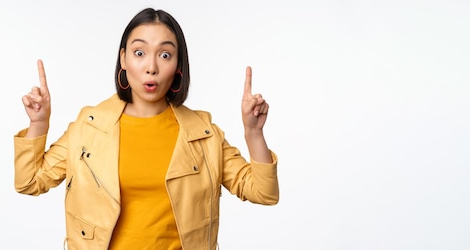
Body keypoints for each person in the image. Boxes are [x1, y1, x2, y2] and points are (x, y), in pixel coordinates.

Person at [14, 8, 279, 249]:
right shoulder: (89, 128)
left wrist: (253, 133)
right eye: (139, 53)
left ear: (178, 66)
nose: (151, 67)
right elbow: (29, 182)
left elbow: (263, 193)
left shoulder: (203, 133)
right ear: (124, 59)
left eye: (165, 55)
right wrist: (38, 123)